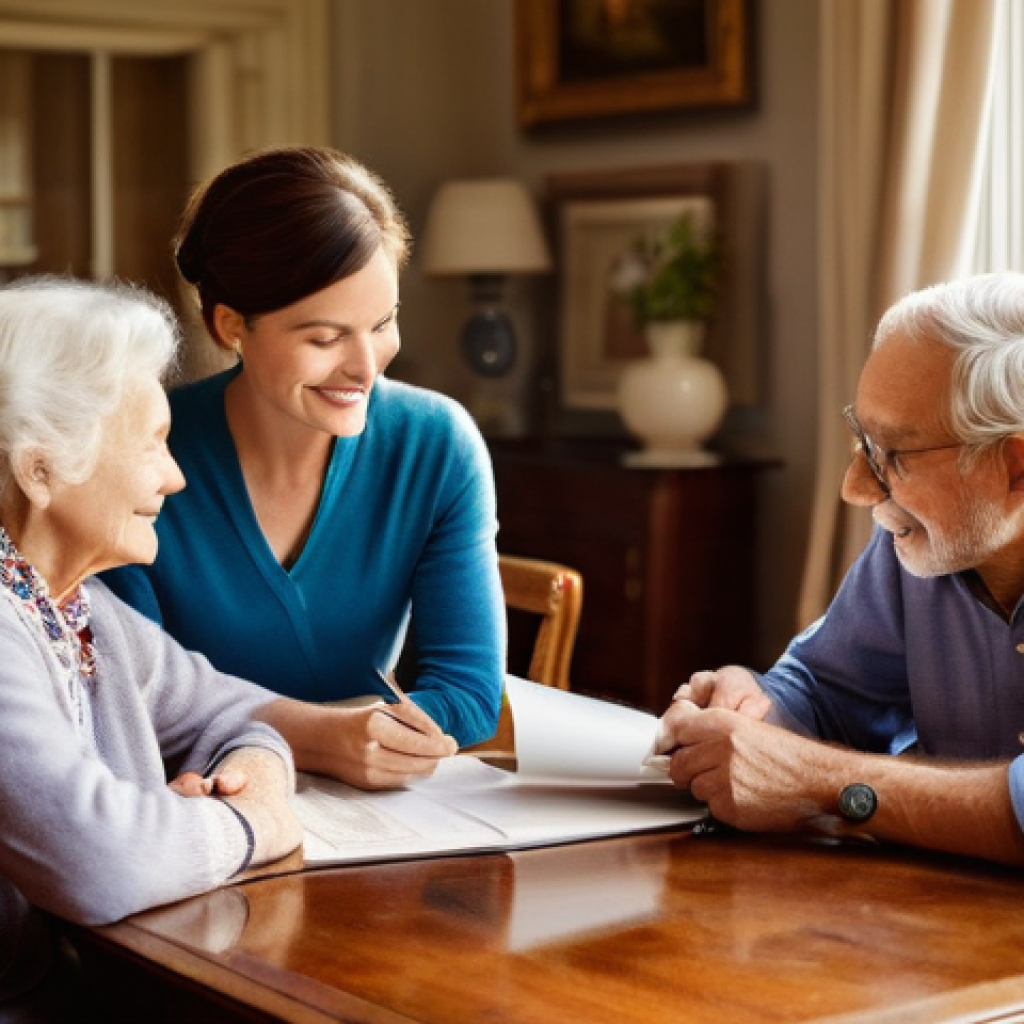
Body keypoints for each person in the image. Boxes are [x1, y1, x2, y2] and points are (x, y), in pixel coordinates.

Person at [103, 147, 504, 784]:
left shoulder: (436, 445)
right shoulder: (138, 458)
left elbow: (468, 694)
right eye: (324, 338)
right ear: (233, 325)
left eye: (383, 323)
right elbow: (137, 703)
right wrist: (323, 739)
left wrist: (357, 739)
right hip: (204, 803)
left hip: (378, 818)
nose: (366, 368)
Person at [0, 277, 306, 1008]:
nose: (175, 476)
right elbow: (101, 859)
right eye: (152, 444)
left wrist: (248, 771)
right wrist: (248, 821)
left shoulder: (77, 610)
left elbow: (238, 718)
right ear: (39, 470)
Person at [658, 272, 1024, 866]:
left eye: (894, 456)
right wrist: (752, 710)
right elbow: (828, 691)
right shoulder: (919, 548)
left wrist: (819, 782)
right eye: (862, 440)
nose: (855, 488)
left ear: (1016, 466)